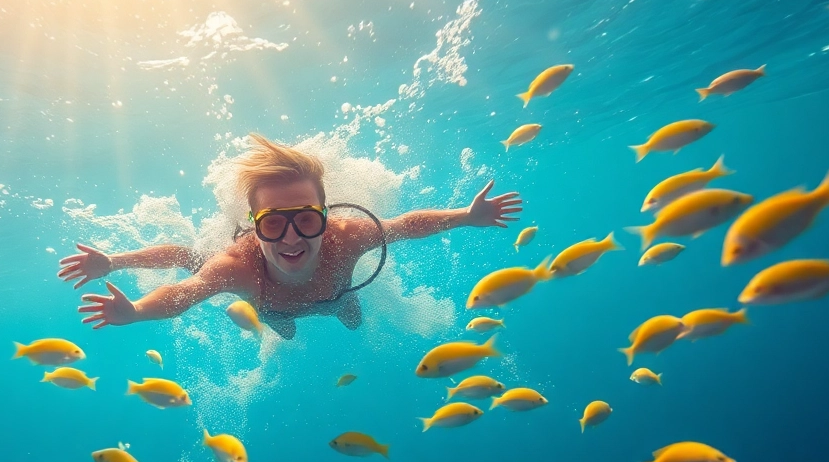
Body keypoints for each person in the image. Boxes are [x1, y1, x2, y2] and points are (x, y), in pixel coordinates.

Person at [58, 134, 520, 340]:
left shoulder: (347, 236)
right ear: (255, 226)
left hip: (337, 297)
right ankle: (281, 323)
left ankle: (338, 309)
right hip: (271, 306)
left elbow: (404, 225)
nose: (292, 238)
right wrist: (136, 310)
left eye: (305, 219)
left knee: (351, 318)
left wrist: (465, 214)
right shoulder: (238, 266)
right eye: (273, 223)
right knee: (265, 315)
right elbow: (184, 290)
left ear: (324, 214)